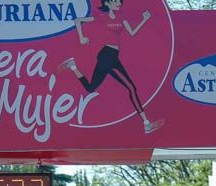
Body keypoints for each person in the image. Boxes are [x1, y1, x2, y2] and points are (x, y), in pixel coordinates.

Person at [60, 0, 162, 134]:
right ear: (107, 3)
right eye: (114, 1)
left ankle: (73, 66)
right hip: (107, 56)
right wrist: (82, 38)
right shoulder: (102, 16)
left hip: (112, 56)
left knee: (91, 88)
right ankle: (146, 124)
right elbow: (78, 21)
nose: (118, 3)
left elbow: (132, 32)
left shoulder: (121, 18)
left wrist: (144, 19)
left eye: (119, 1)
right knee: (131, 88)